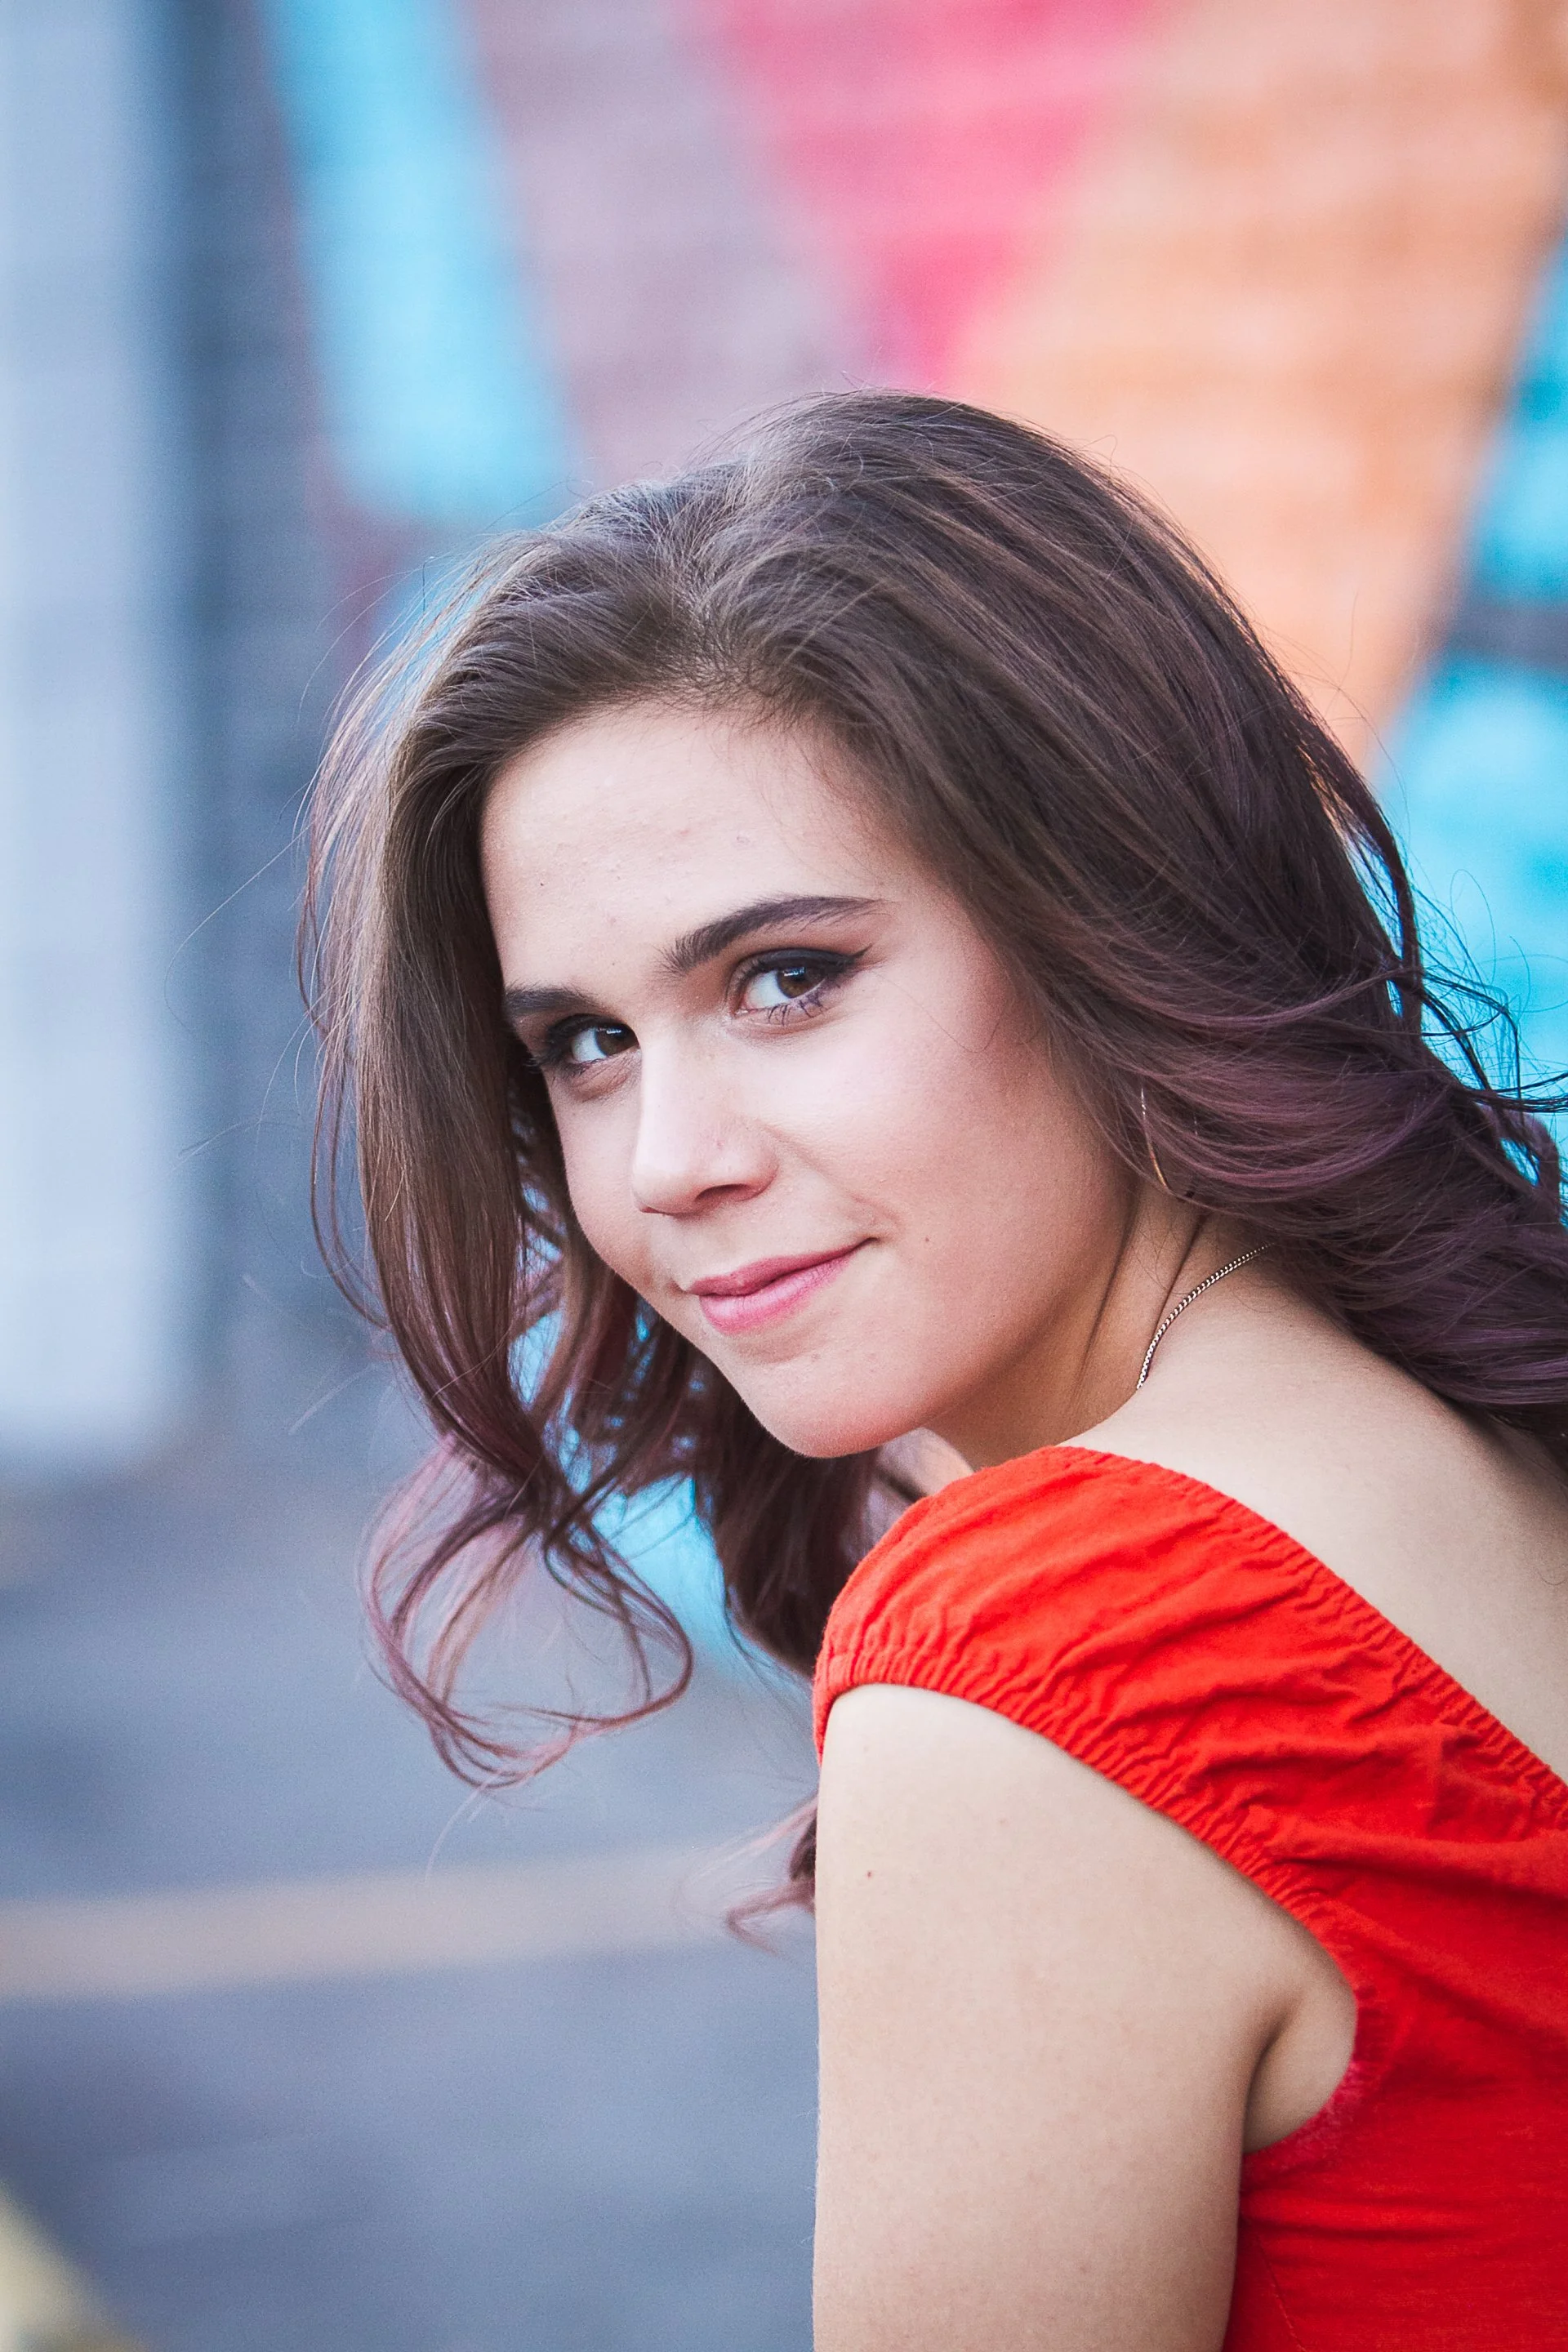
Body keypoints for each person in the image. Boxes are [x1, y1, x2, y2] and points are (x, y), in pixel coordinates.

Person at [309, 393, 1568, 2349]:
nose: (668, 1163)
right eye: (581, 1044)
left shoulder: (1060, 1656)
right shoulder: (1482, 1434)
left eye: (788, 978)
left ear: (1106, 914)